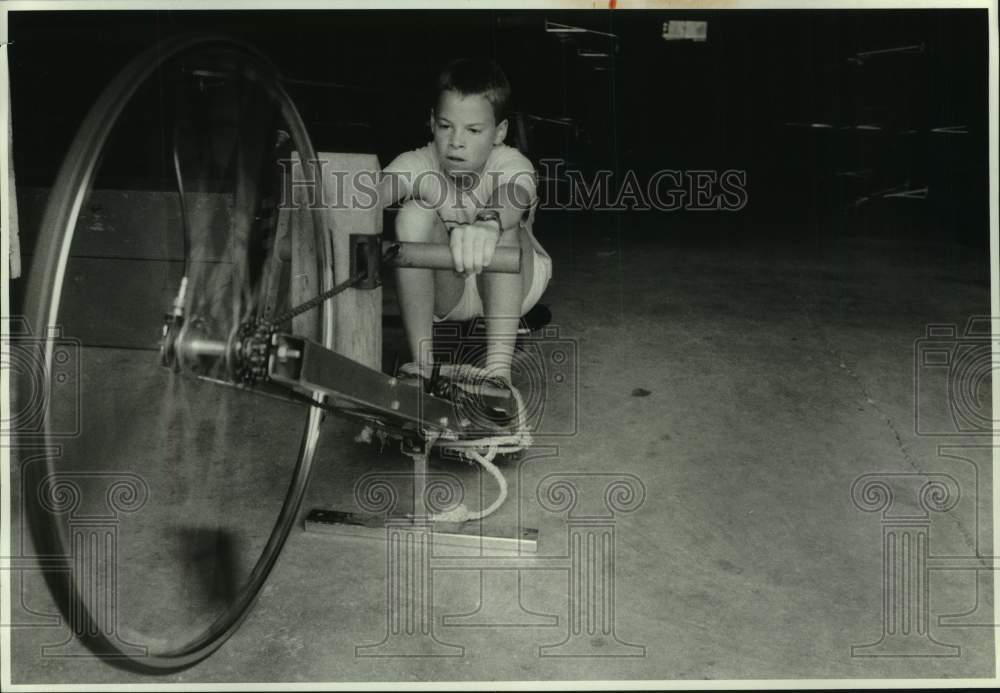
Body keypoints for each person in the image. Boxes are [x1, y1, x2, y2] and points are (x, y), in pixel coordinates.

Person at [375, 57, 551, 431]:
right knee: (413, 214)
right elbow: (370, 197)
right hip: (450, 292)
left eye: (473, 130)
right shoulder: (420, 161)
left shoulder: (511, 162)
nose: (456, 142)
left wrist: (487, 224)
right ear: (431, 122)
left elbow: (514, 194)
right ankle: (422, 368)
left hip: (515, 284)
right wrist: (345, 206)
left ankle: (497, 379)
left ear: (499, 132)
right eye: (445, 126)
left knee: (502, 223)